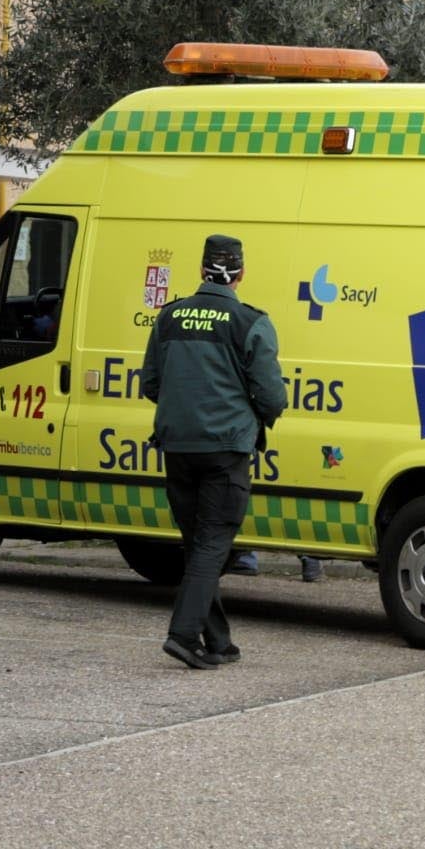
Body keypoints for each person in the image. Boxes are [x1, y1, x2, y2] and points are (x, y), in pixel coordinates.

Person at [139, 234, 287, 669]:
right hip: (225, 450)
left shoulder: (169, 318)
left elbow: (150, 383)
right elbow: (272, 396)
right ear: (240, 274)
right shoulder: (249, 322)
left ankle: (218, 640)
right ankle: (183, 636)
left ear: (202, 270)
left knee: (201, 546)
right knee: (211, 546)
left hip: (178, 448)